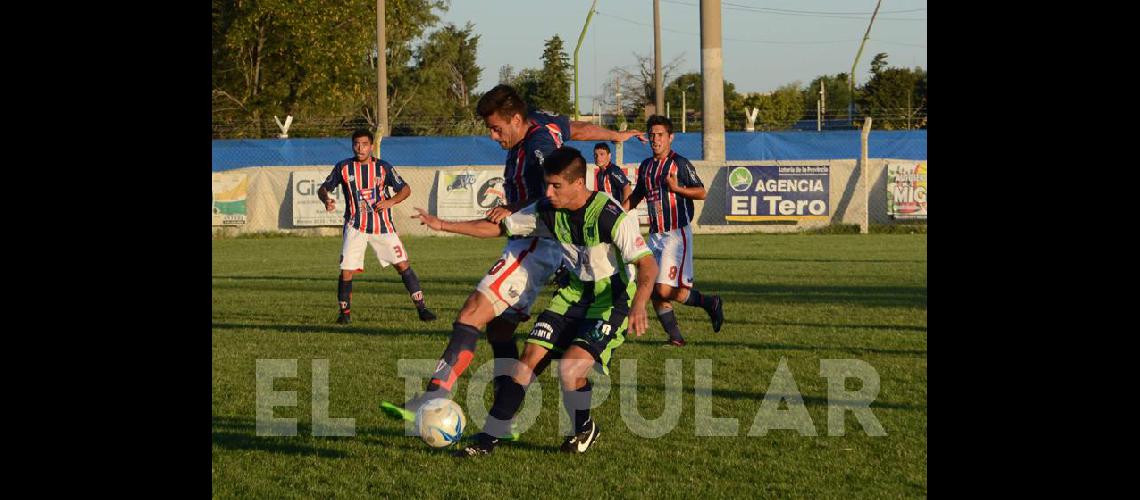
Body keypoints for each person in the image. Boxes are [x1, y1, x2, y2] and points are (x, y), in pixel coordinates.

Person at [380, 84, 645, 421]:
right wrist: (615, 135)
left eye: (496, 129)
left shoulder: (539, 147)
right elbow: (575, 128)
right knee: (500, 331)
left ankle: (433, 397)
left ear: (517, 119)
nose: (493, 136)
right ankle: (503, 415)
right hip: (534, 239)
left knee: (471, 313)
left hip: (534, 243)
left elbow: (548, 195)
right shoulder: (540, 122)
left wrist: (511, 208)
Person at [412, 146, 657, 456]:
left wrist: (639, 305)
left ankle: (584, 427)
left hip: (610, 302)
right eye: (547, 184)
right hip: (572, 295)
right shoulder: (547, 209)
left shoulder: (610, 216)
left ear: (578, 184)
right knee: (527, 359)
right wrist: (443, 224)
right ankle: (486, 441)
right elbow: (499, 227)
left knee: (570, 369)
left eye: (556, 185)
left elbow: (647, 263)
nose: (549, 192)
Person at [316, 129, 436, 324]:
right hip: (355, 226)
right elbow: (324, 188)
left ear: (371, 146)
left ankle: (422, 309)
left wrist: (391, 201)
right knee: (346, 270)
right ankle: (344, 315)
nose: (360, 148)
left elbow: (405, 189)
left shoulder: (383, 168)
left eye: (364, 144)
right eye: (356, 144)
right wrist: (326, 199)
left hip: (383, 227)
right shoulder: (344, 168)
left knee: (402, 264)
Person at [623, 115, 724, 347]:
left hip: (676, 234)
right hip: (655, 235)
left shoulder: (680, 163)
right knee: (652, 288)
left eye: (660, 135)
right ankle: (676, 336)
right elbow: (638, 193)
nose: (655, 139)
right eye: (652, 135)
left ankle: (710, 303)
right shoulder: (647, 166)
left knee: (663, 288)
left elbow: (702, 192)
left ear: (670, 137)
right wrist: (616, 214)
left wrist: (678, 188)